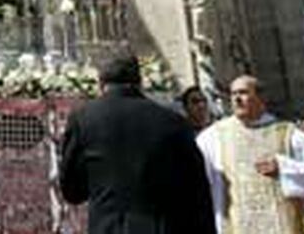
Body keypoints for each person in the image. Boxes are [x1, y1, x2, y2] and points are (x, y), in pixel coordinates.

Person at [57, 55, 213, 234]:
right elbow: (197, 191)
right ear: (140, 82)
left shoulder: (83, 119)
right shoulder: (172, 122)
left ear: (101, 83)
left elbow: (72, 190)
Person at [195, 75, 304, 234]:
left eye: (243, 92)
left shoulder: (288, 133)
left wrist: (283, 168)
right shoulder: (214, 137)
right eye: (233, 94)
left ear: (260, 97)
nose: (237, 99)